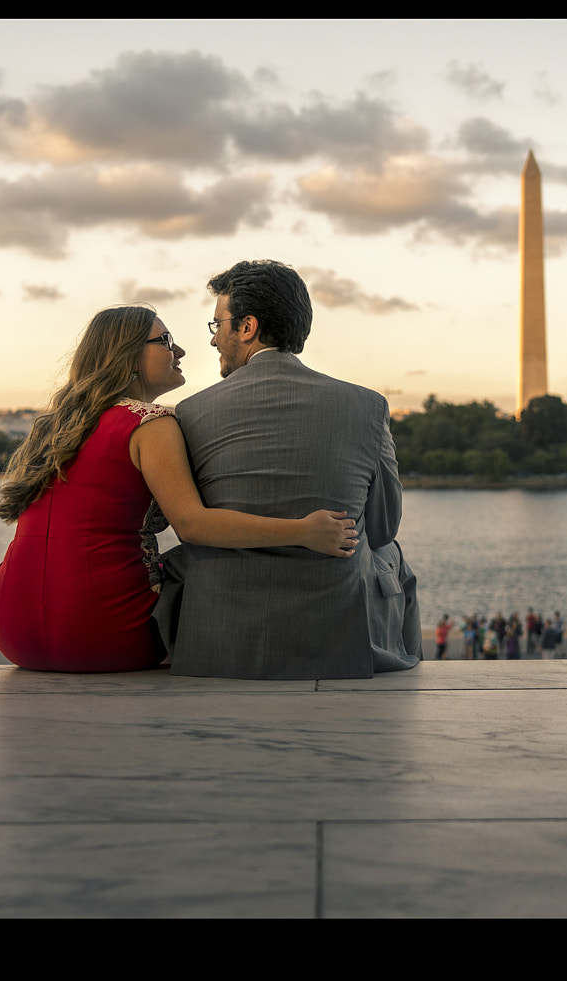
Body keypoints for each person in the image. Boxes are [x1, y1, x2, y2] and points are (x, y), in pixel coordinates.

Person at [0, 306, 357, 673]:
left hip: (12, 631)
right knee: (207, 559)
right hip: (101, 634)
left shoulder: (54, 426)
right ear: (129, 355)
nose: (179, 352)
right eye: (165, 341)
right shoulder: (150, 423)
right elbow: (194, 525)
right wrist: (303, 532)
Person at [152, 260, 422, 679]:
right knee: (391, 553)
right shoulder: (368, 406)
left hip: (221, 640)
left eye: (217, 324)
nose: (213, 340)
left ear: (247, 327)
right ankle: (400, 665)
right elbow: (384, 526)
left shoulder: (191, 412)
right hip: (333, 640)